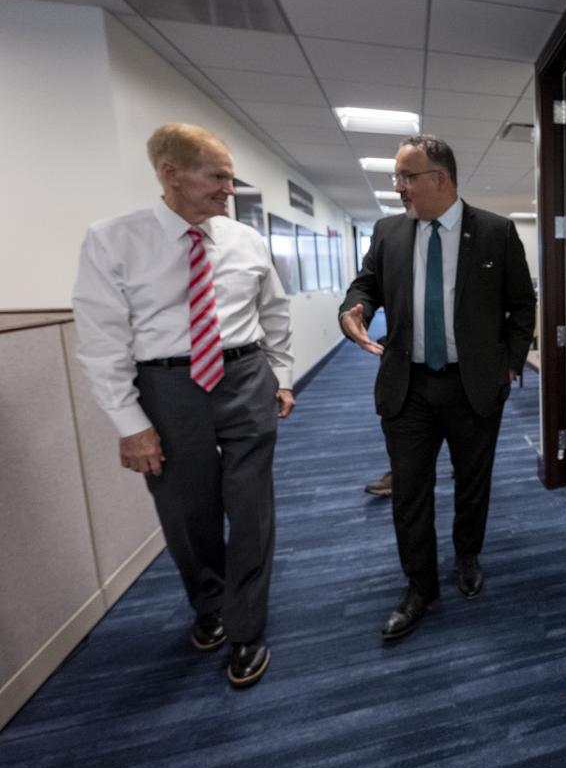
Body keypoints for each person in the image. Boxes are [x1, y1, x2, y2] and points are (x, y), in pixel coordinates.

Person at [72, 123, 294, 688]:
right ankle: (210, 604)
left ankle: (246, 628)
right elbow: (101, 339)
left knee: (250, 508)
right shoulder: (113, 240)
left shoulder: (245, 240)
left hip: (245, 377)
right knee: (186, 512)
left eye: (229, 175)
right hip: (167, 387)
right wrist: (130, 424)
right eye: (217, 175)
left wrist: (282, 376)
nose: (229, 187)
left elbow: (275, 312)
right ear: (171, 173)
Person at [339, 135, 535, 641]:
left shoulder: (494, 232)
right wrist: (353, 308)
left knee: (473, 483)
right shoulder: (388, 233)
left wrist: (510, 365)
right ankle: (420, 586)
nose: (398, 187)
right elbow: (367, 285)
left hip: (473, 386)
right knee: (409, 491)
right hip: (409, 386)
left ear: (440, 179)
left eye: (407, 176)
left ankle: (467, 555)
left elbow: (522, 305)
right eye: (397, 177)